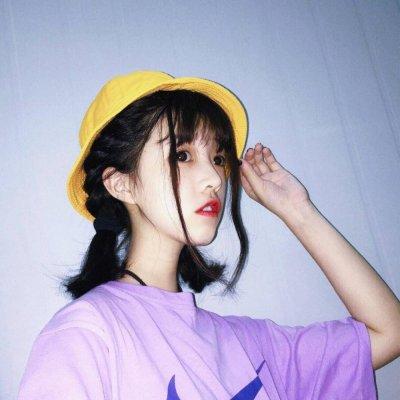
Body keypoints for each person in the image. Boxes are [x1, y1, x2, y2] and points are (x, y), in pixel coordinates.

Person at [18, 69, 395, 399]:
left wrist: (298, 211)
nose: (215, 178)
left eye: (218, 157)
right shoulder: (88, 333)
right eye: (182, 155)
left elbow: (388, 331)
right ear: (121, 183)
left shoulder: (251, 346)